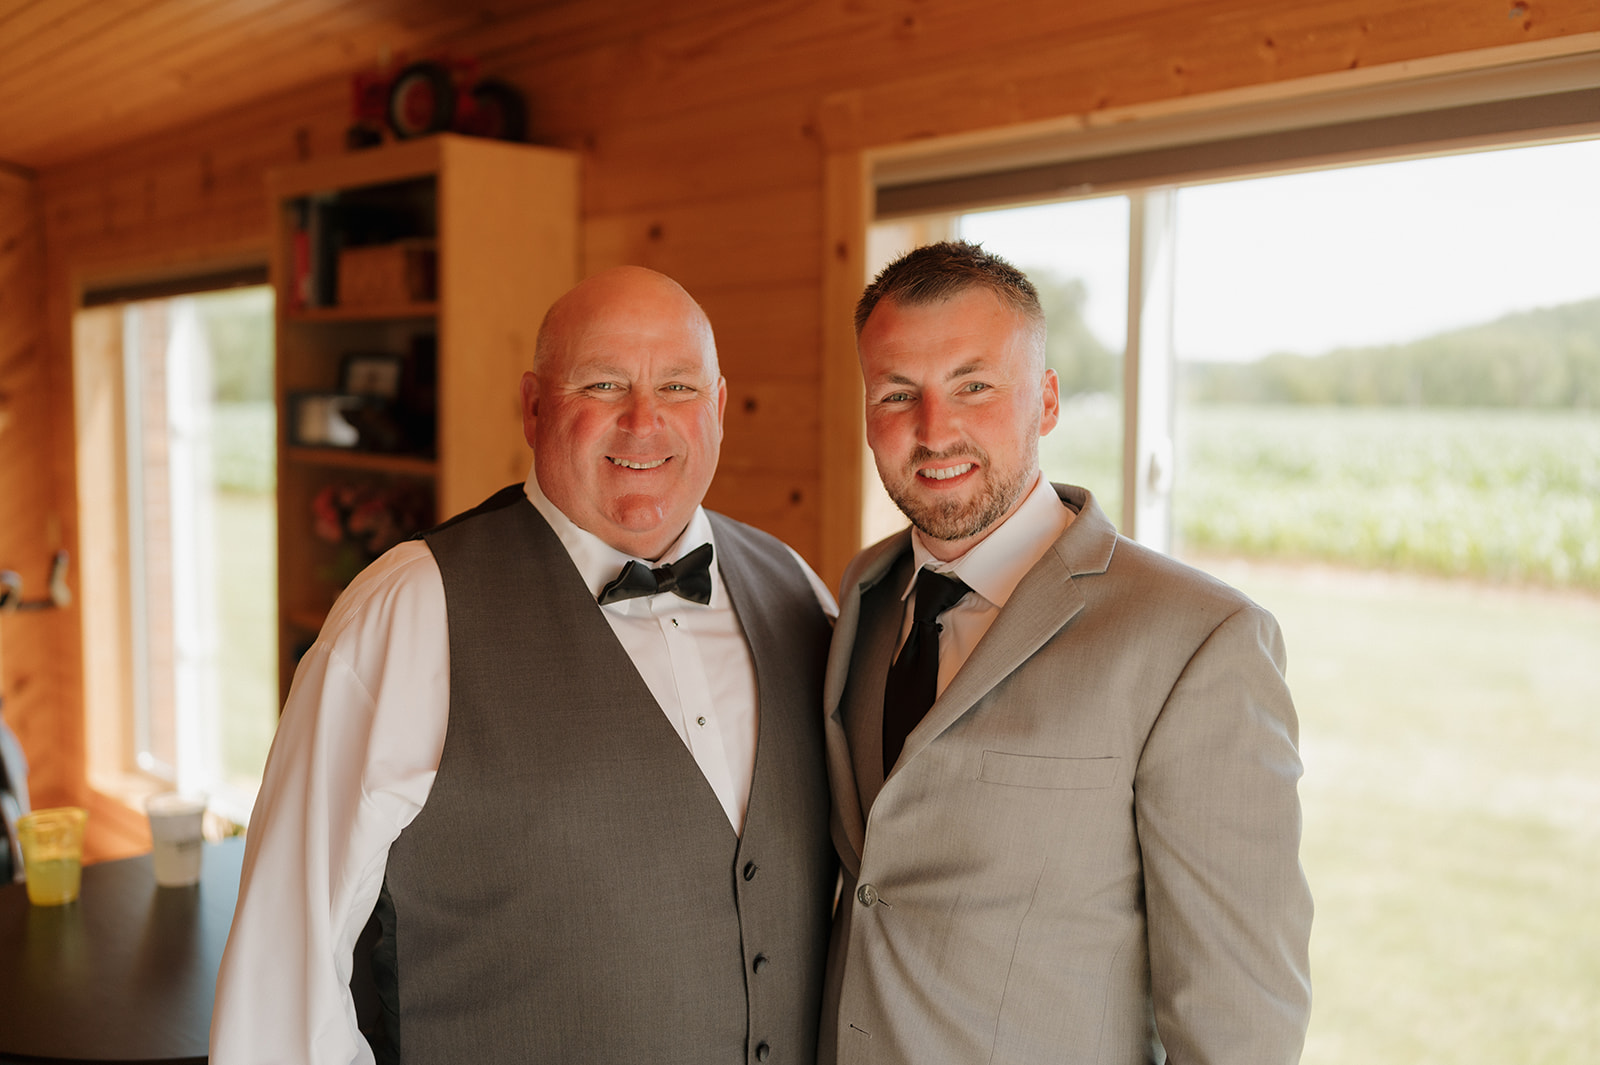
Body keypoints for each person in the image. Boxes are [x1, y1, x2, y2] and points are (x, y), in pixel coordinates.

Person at [212, 266, 838, 1065]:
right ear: (535, 406)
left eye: (677, 385)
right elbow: (284, 973)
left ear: (717, 407)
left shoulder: (798, 590)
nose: (643, 422)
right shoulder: (407, 611)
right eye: (603, 383)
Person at [819, 242, 1313, 1064]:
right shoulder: (864, 598)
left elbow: (1239, 1024)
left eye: (975, 386)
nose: (934, 430)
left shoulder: (1199, 640)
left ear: (1045, 400)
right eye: (898, 393)